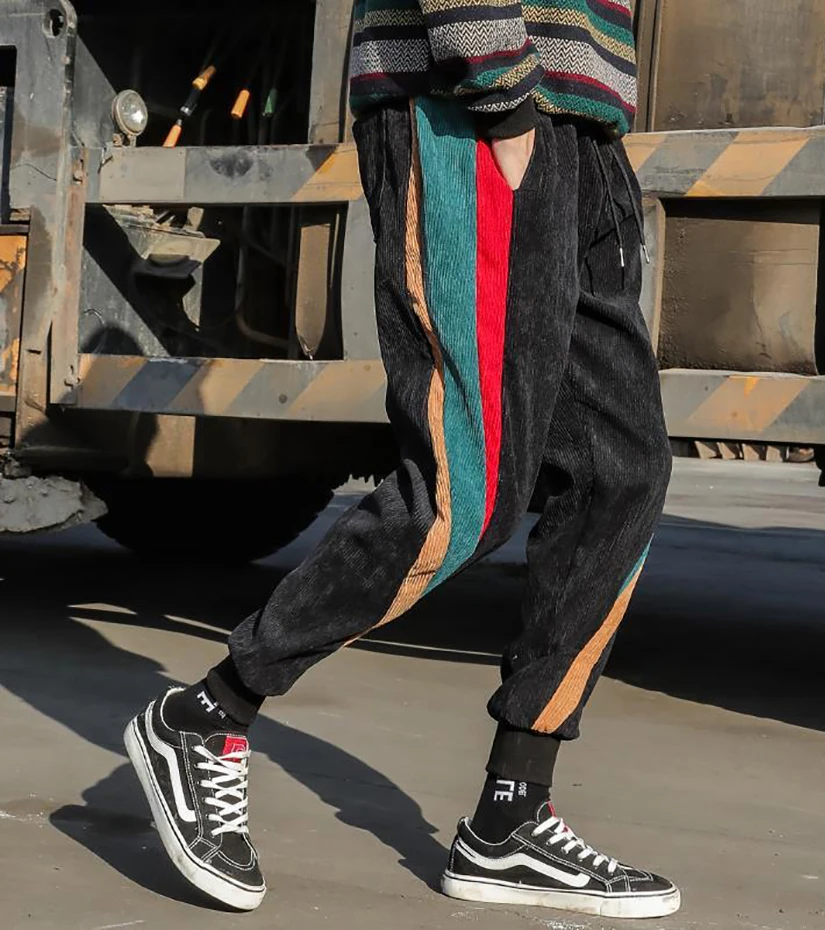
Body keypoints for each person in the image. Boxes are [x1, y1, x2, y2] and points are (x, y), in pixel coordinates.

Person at [123, 0, 678, 919]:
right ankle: (207, 715)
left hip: (583, 125)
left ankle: (511, 817)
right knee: (468, 491)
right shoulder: (493, 97)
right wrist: (500, 88)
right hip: (474, 106)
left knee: (623, 473)